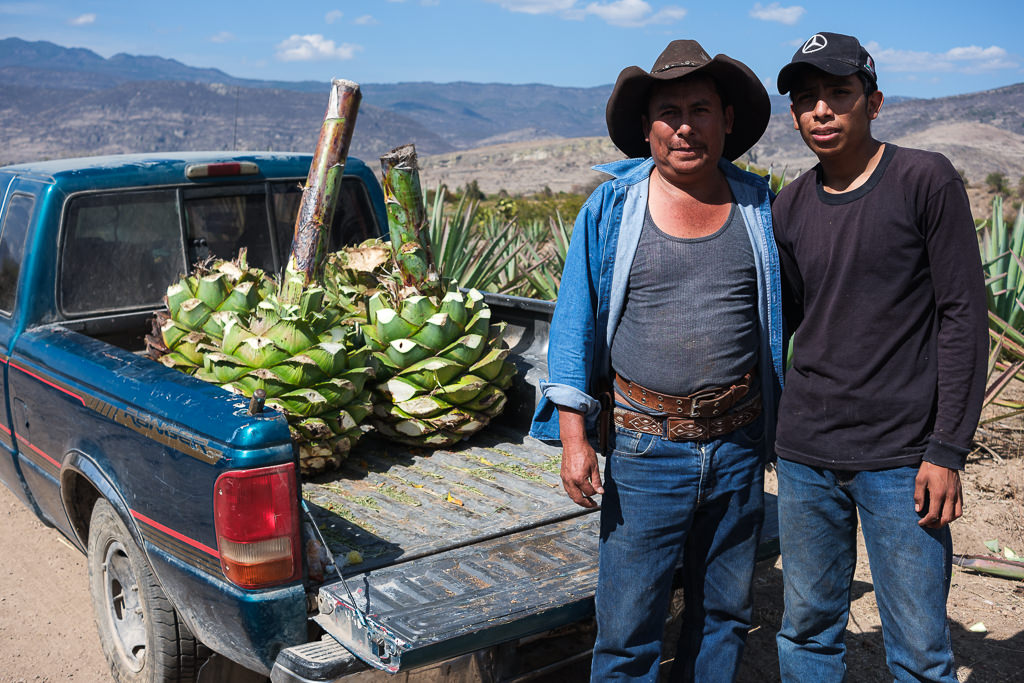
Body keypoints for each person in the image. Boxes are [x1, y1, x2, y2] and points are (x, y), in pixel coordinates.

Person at [529, 39, 784, 681]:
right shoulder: (612, 211)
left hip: (737, 443)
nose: (685, 125)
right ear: (646, 130)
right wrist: (574, 440)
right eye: (669, 111)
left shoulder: (759, 209)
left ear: (727, 119)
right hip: (647, 450)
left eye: (701, 108)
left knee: (724, 613)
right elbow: (574, 325)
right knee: (627, 630)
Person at [771, 32, 988, 682]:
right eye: (807, 99)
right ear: (794, 116)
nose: (822, 110)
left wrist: (947, 447)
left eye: (839, 94)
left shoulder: (925, 179)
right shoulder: (791, 206)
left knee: (920, 649)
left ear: (874, 101)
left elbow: (962, 316)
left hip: (902, 461)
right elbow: (788, 323)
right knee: (807, 631)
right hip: (806, 456)